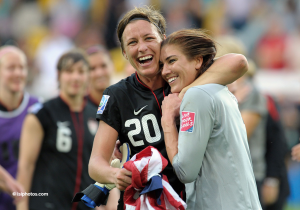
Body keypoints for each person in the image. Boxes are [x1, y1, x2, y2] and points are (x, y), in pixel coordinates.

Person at [88, 6, 248, 210]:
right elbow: (96, 163)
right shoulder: (117, 94)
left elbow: (239, 63)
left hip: (197, 199)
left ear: (163, 40)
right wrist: (115, 174)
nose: (142, 47)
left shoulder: (182, 75)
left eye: (148, 38)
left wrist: (184, 92)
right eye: (132, 42)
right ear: (124, 53)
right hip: (146, 201)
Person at [160, 29, 262, 209]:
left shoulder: (196, 95)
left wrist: (167, 119)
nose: (165, 71)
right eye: (162, 64)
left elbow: (185, 171)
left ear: (198, 60)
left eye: (172, 60)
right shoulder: (219, 90)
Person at [17, 49, 99, 210]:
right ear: (59, 75)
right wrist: (21, 205)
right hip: (47, 205)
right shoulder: (42, 114)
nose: (75, 77)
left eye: (81, 71)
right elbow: (25, 166)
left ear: (88, 76)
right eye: (69, 71)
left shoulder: (96, 116)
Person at [0, 46, 39, 210]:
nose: (18, 73)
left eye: (21, 67)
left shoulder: (39, 108)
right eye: (11, 68)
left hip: (34, 200)